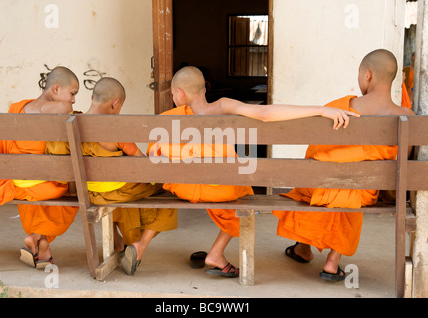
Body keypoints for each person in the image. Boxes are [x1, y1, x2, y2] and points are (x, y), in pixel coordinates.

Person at [147, 66, 358, 277]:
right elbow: (265, 113)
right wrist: (321, 110)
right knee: (242, 192)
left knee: (228, 183)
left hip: (185, 189)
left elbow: (154, 158)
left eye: (173, 93)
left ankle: (214, 253)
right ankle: (216, 253)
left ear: (180, 93)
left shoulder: (169, 118)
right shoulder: (223, 106)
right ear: (205, 89)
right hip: (221, 190)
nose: (174, 97)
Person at [272, 49, 415, 281]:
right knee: (352, 189)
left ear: (367, 75)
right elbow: (402, 167)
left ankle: (302, 248)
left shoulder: (336, 108)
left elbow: (313, 153)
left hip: (321, 185)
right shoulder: (406, 117)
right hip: (365, 191)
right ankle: (332, 261)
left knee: (325, 183)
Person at [45, 77, 178, 275]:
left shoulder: (71, 122)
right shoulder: (116, 129)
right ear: (115, 104)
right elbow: (143, 166)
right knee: (171, 189)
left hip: (88, 193)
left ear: (92, 97)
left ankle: (118, 243)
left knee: (121, 188)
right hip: (117, 191)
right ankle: (139, 246)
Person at [0, 66, 80, 269]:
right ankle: (37, 236)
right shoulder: (53, 109)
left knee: (37, 194)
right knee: (70, 194)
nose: (73, 100)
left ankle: (42, 247)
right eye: (72, 94)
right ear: (55, 89)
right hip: (41, 184)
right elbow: (65, 110)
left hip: (14, 181)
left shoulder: (17, 107)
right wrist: (67, 108)